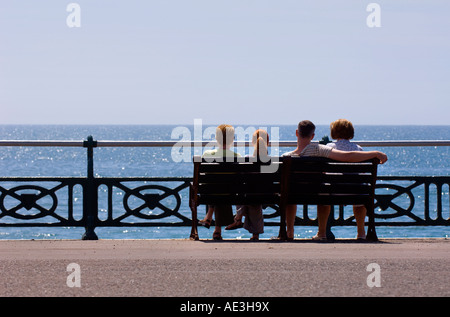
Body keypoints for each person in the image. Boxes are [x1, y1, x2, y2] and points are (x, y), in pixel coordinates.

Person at [282, 120, 388, 241]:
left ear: (297, 133)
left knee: (314, 193)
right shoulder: (323, 150)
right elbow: (346, 156)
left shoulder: (287, 157)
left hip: (305, 194)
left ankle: (301, 232)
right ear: (312, 136)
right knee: (353, 190)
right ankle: (361, 233)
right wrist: (376, 153)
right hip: (355, 192)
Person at [225, 129, 269, 241]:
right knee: (254, 198)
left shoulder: (247, 159)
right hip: (267, 195)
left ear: (253, 142)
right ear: (267, 143)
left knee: (246, 193)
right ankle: (255, 234)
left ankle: (238, 218)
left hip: (249, 196)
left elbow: (239, 178)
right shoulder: (271, 161)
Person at [198, 124, 240, 240]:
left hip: (209, 195)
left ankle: (210, 220)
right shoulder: (237, 157)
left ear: (216, 139)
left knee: (214, 187)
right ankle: (216, 230)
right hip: (229, 196)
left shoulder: (207, 155)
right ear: (232, 139)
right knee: (222, 188)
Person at [328, 119, 366, 240]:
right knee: (360, 199)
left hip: (332, 192)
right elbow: (363, 172)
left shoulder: (329, 147)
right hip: (356, 191)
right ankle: (361, 233)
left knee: (323, 196)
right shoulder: (358, 149)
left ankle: (322, 232)